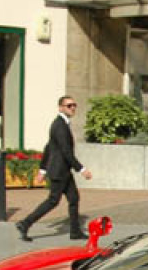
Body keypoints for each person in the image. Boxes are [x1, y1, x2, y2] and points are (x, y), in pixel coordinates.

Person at [16, 96, 92, 241]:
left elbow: (49, 147)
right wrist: (82, 170)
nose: (73, 108)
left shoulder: (62, 124)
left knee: (74, 198)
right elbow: (65, 151)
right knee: (53, 201)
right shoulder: (59, 125)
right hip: (59, 171)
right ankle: (25, 223)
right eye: (69, 105)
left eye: (74, 105)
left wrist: (42, 170)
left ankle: (75, 232)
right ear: (60, 108)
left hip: (63, 170)